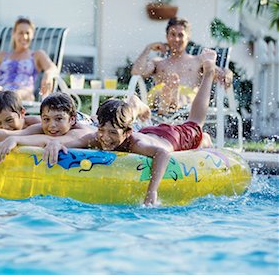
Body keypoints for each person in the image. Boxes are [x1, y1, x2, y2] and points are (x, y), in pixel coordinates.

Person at [44, 50, 219, 206]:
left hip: (172, 136)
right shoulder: (100, 136)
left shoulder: (136, 144)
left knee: (195, 122)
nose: (105, 138)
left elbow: (162, 153)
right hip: (150, 131)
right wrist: (56, 143)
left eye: (113, 133)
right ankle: (135, 105)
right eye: (102, 131)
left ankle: (209, 73)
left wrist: (152, 191)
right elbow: (76, 140)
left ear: (127, 132)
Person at [0, 92, 95, 163]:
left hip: (89, 122)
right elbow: (18, 133)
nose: (52, 125)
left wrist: (16, 140)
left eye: (58, 119)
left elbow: (45, 139)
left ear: (71, 120)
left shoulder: (81, 132)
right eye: (46, 119)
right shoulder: (45, 125)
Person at [131, 17, 233, 115]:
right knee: (161, 91)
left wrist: (227, 74)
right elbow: (136, 72)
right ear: (167, 37)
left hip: (186, 106)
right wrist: (148, 49)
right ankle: (169, 97)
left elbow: (219, 73)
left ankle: (172, 99)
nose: (176, 39)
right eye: (173, 34)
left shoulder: (198, 60)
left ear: (188, 37)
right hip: (160, 100)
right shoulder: (158, 62)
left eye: (180, 35)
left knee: (182, 95)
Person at [0, 17, 58, 108]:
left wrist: (47, 75)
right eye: (20, 33)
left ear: (33, 35)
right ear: (14, 34)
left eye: (27, 33)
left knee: (22, 93)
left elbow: (52, 68)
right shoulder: (2, 56)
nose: (24, 37)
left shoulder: (37, 55)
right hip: (1, 92)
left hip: (24, 96)